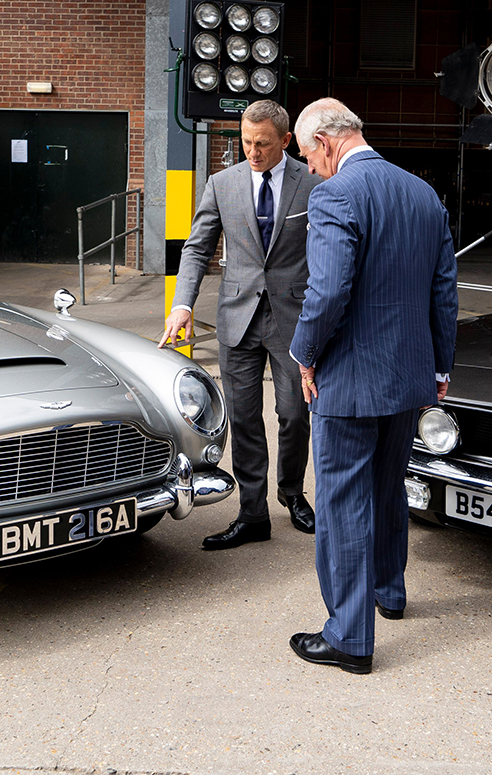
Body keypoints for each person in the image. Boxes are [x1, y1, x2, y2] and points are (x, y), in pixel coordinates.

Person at [286, 98, 458, 674]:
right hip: (408, 377)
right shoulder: (422, 193)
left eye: (307, 154)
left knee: (341, 502)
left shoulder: (334, 195)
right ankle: (389, 591)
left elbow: (328, 291)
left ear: (328, 141)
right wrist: (439, 368)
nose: (308, 168)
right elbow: (443, 292)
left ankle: (349, 637)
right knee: (387, 490)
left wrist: (304, 354)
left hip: (350, 380)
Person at [159, 100, 322, 549]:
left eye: (263, 144)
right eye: (247, 142)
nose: (253, 152)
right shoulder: (222, 184)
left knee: (293, 415)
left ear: (286, 141)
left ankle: (291, 491)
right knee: (246, 420)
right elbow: (196, 249)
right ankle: (253, 514)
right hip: (238, 317)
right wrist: (182, 305)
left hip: (294, 318)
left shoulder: (312, 182)